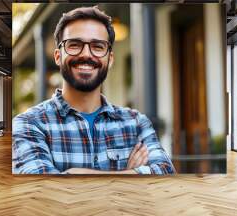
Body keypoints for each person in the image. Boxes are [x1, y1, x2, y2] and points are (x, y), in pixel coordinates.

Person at [12, 6, 175, 175]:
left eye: (98, 46)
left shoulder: (136, 123)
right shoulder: (29, 124)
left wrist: (75, 174)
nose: (86, 54)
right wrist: (131, 175)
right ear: (58, 56)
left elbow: (165, 173)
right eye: (74, 45)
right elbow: (41, 190)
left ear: (110, 59)